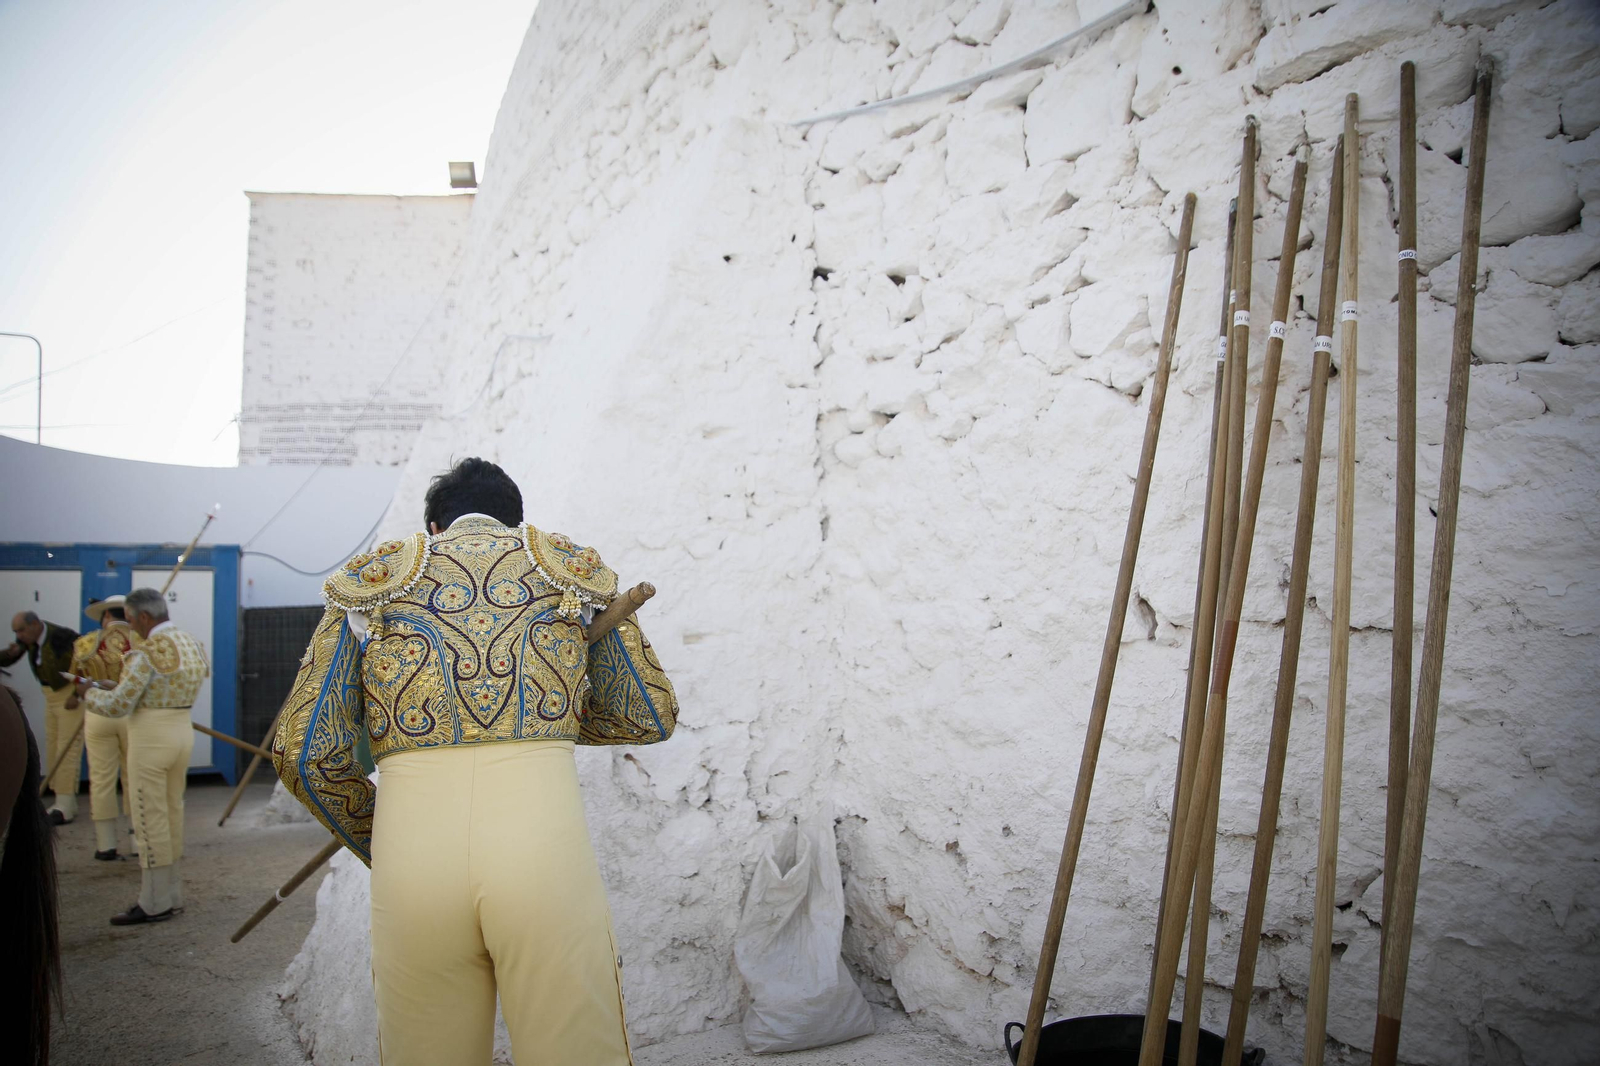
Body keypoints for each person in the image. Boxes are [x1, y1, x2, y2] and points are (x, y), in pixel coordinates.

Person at [273, 456, 681, 1066]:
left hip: (413, 860)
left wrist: (378, 837)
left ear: (434, 528)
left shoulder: (375, 584)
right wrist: (549, 720)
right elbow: (647, 713)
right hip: (543, 850)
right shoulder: (567, 577)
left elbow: (302, 752)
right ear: (518, 522)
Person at [79, 587, 209, 925]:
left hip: (151, 739)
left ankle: (153, 901)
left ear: (145, 617)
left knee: (148, 816)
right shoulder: (191, 643)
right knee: (171, 811)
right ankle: (172, 893)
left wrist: (87, 693)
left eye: (132, 618)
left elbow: (118, 705)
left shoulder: (146, 652)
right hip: (181, 732)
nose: (130, 625)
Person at [0, 681, 62, 1066]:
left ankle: (155, 896)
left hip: (137, 723)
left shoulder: (139, 652)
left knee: (142, 804)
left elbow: (126, 694)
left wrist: (94, 692)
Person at [69, 596, 141, 860]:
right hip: (131, 713)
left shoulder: (86, 643)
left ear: (106, 616)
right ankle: (137, 841)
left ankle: (106, 844)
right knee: (133, 776)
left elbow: (77, 684)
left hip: (97, 712)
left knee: (101, 778)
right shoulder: (140, 641)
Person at [2, 612, 82, 824]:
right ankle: (63, 800)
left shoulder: (62, 636)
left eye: (21, 630)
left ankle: (65, 805)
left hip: (69, 695)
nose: (18, 636)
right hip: (51, 695)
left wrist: (77, 694)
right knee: (54, 746)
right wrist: (11, 652)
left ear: (35, 624)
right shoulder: (28, 640)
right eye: (16, 632)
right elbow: (9, 659)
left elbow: (85, 664)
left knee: (67, 748)